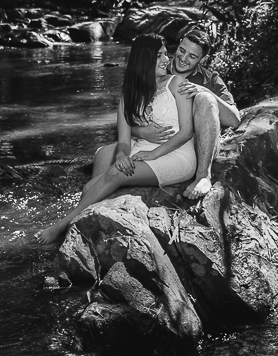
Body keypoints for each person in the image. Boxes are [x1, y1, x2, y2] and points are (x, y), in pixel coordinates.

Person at [35, 33, 196, 245]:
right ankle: (79, 235)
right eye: (159, 55)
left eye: (166, 54)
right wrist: (121, 154)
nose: (167, 60)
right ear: (144, 59)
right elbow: (124, 140)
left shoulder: (177, 83)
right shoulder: (129, 96)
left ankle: (60, 226)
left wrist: (153, 153)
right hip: (143, 151)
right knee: (88, 188)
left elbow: (186, 132)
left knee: (116, 173)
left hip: (178, 155)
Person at [92, 25, 240, 201]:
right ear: (178, 44)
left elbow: (234, 120)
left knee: (205, 99)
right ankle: (90, 205)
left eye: (192, 56)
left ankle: (203, 176)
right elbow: (129, 111)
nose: (183, 59)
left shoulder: (211, 79)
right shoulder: (157, 66)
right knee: (103, 153)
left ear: (203, 58)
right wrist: (139, 131)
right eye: (181, 50)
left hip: (197, 142)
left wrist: (203, 90)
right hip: (156, 140)